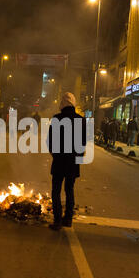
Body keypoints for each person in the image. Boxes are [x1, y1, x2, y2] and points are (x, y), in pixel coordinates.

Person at [47, 92, 86, 230]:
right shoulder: (81, 120)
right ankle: (68, 219)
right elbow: (82, 144)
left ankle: (57, 220)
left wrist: (55, 155)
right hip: (73, 161)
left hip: (59, 161)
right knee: (69, 190)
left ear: (62, 103)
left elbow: (50, 142)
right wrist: (78, 160)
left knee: (56, 190)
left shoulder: (57, 118)